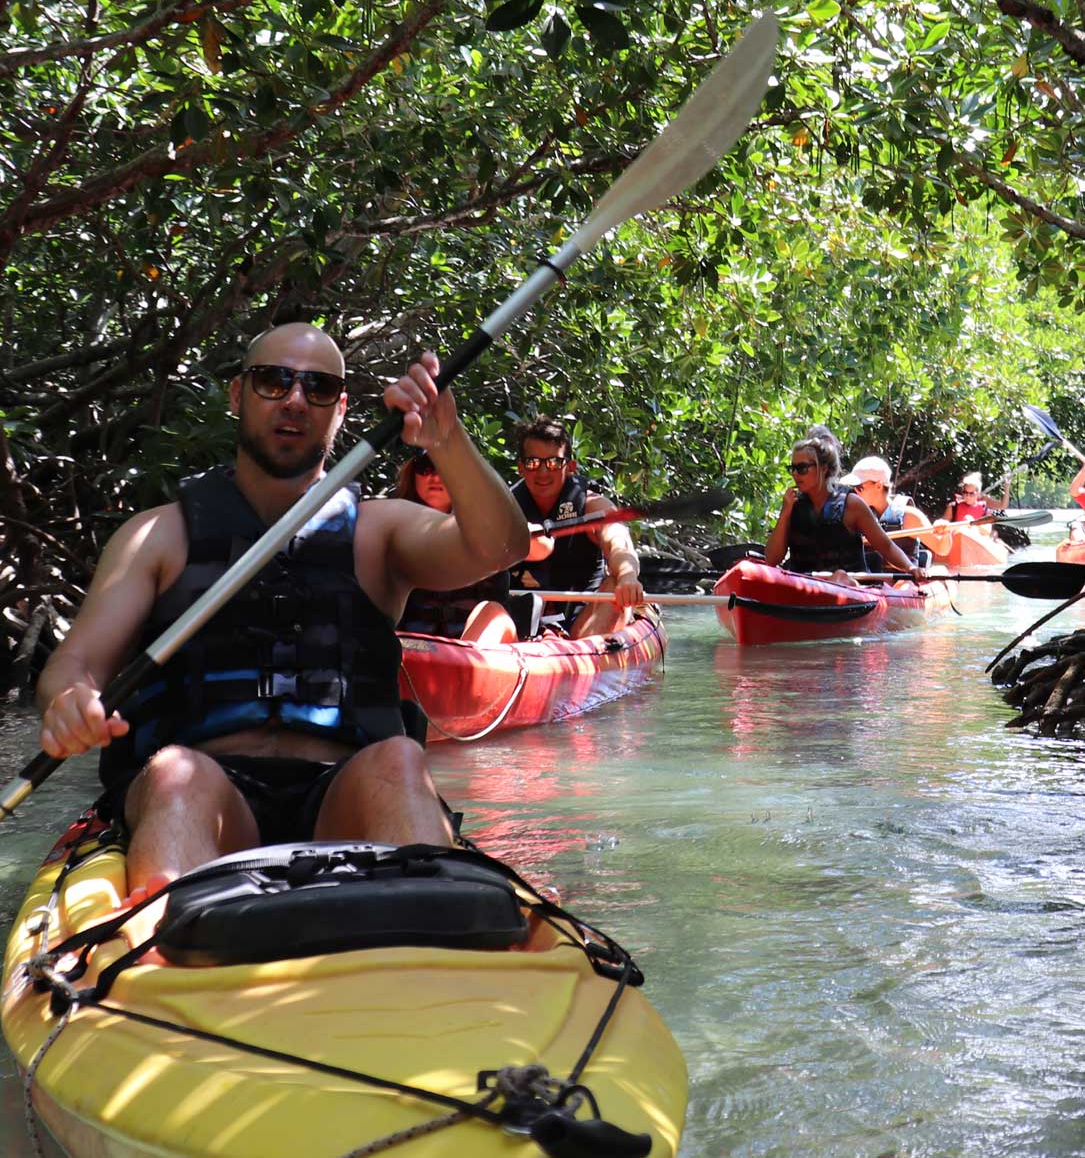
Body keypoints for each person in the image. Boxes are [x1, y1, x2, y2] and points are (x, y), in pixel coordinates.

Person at [36, 322, 530, 901]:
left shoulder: (379, 531)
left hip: (342, 798)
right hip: (207, 795)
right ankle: (161, 950)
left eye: (318, 388)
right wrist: (70, 701)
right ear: (238, 394)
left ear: (341, 410)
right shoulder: (157, 536)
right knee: (176, 776)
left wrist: (447, 440)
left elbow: (501, 546)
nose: (295, 400)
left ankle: (433, 944)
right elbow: (75, 664)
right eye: (273, 381)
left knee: (399, 758)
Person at [508, 415, 644, 638]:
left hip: (582, 618)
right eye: (533, 463)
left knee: (615, 582)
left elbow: (618, 539)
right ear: (521, 468)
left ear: (570, 466)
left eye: (554, 462)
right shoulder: (505, 507)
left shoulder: (592, 505)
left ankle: (587, 658)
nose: (543, 472)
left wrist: (628, 576)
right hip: (523, 614)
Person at [390, 449, 519, 644]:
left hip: (477, 645)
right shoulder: (391, 525)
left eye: (443, 467)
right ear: (412, 473)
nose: (434, 476)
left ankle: (465, 666)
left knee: (492, 612)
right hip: (410, 645)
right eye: (425, 467)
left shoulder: (488, 525)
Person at [764, 429, 925, 581]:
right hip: (804, 587)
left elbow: (886, 546)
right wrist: (785, 514)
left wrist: (910, 567)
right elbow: (772, 559)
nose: (795, 474)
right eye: (792, 468)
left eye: (802, 468)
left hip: (851, 587)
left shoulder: (851, 504)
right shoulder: (793, 505)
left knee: (840, 576)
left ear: (824, 468)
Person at [839, 455, 952, 569]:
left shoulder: (909, 516)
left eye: (859, 487)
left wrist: (945, 533)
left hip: (902, 580)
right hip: (870, 580)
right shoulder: (858, 514)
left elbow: (942, 549)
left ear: (878, 486)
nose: (854, 492)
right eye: (853, 488)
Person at [941, 471, 1010, 523]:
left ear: (978, 492)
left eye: (971, 494)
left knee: (994, 534)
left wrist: (1007, 486)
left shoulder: (983, 502)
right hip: (957, 534)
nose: (968, 496)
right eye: (965, 493)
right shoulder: (954, 506)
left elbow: (1003, 506)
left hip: (975, 533)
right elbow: (944, 521)